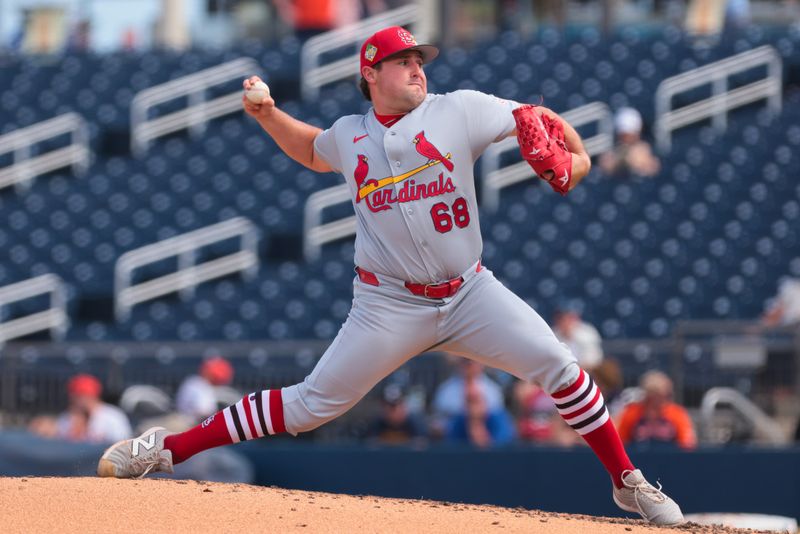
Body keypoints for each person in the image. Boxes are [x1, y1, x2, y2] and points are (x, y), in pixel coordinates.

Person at [98, 26, 683, 525]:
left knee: (562, 368)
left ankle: (626, 480)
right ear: (371, 73)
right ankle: (165, 449)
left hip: (469, 291)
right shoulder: (351, 135)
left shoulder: (460, 109)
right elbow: (310, 150)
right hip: (389, 304)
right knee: (309, 407)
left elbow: (543, 120)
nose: (416, 69)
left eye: (419, 60)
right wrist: (269, 114)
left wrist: (576, 161)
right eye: (403, 61)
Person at [30, 374, 132, 443]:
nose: (78, 400)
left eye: (82, 395)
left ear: (93, 396)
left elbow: (123, 447)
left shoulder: (113, 417)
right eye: (75, 396)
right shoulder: (67, 418)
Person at [616, 371, 697, 451]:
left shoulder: (677, 414)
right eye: (653, 397)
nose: (658, 401)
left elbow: (688, 445)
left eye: (663, 396)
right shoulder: (631, 413)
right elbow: (620, 443)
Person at [446, 380, 515, 447]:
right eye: (469, 402)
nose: (473, 407)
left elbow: (503, 445)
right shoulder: (458, 422)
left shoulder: (499, 419)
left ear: (484, 402)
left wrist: (482, 434)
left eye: (476, 401)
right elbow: (453, 447)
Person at [599, 107, 661, 178]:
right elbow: (606, 166)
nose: (626, 138)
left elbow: (653, 168)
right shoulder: (612, 151)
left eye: (629, 134)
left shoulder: (644, 148)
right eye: (623, 135)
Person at [175, 356, 235, 423]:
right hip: (188, 422)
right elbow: (204, 411)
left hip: (186, 420)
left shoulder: (194, 381)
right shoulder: (200, 384)